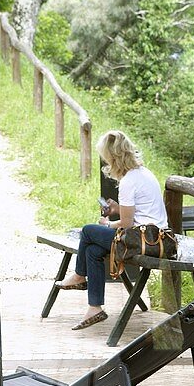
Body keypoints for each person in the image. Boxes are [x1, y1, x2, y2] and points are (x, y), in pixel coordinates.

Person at [56, 129, 169, 331]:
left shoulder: (128, 181)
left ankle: (79, 276)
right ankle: (94, 308)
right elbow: (139, 213)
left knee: (88, 231)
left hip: (143, 241)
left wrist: (107, 224)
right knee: (92, 251)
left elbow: (126, 225)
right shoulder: (143, 173)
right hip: (154, 236)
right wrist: (117, 208)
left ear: (113, 157)